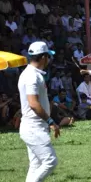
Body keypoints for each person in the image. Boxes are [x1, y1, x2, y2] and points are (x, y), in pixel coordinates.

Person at [18, 41, 59, 182]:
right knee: (50, 161)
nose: (49, 59)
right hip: (33, 128)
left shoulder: (32, 74)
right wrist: (51, 121)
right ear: (43, 57)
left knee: (36, 165)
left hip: (34, 127)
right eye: (48, 56)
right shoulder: (32, 77)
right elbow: (33, 103)